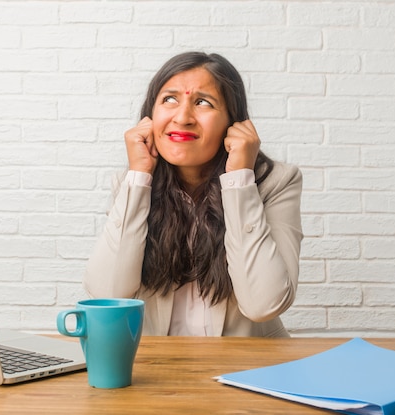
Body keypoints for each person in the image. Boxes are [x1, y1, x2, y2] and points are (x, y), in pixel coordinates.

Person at [84, 51, 303, 337]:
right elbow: (107, 295)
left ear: (233, 122)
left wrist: (239, 181)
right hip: (157, 370)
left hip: (247, 369)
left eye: (202, 102)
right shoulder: (132, 185)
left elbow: (264, 305)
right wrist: (138, 177)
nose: (183, 117)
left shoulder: (276, 182)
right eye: (170, 99)